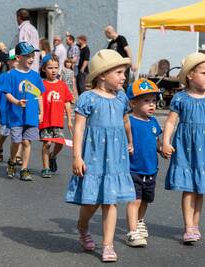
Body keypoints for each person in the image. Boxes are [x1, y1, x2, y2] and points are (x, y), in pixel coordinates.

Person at [65, 49, 135, 262]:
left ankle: (107, 245)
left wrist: (130, 141)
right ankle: (83, 226)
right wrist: (77, 156)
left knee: (110, 200)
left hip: (116, 156)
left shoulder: (121, 97)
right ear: (103, 74)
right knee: (91, 202)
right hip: (94, 155)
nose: (124, 77)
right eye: (120, 72)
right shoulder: (88, 98)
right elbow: (78, 129)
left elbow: (125, 122)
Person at [162, 52, 205, 244]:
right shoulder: (180, 98)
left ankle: (195, 225)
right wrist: (166, 141)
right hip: (186, 147)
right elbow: (170, 123)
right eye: (204, 73)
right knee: (188, 188)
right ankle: (188, 226)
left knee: (201, 188)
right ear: (190, 75)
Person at [125, 79, 162, 247]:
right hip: (133, 169)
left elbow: (157, 141)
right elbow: (122, 140)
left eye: (153, 100)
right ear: (133, 103)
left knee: (146, 199)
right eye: (146, 101)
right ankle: (132, 232)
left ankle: (139, 221)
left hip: (151, 169)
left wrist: (163, 148)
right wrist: (126, 146)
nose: (151, 104)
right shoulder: (129, 122)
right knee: (135, 200)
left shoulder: (154, 122)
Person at [2, 41, 45, 181]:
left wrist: (41, 112)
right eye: (28, 56)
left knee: (27, 142)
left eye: (33, 55)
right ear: (18, 57)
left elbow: (39, 94)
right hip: (16, 116)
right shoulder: (11, 75)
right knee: (16, 141)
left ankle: (24, 169)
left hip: (31, 116)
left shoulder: (35, 75)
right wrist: (16, 102)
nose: (31, 58)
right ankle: (12, 161)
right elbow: (7, 93)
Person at [39, 54, 73, 178]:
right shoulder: (41, 84)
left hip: (58, 121)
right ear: (43, 69)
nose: (53, 70)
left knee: (59, 143)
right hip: (45, 121)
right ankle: (46, 168)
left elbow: (67, 102)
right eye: (50, 68)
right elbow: (37, 101)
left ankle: (52, 156)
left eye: (56, 67)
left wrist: (69, 120)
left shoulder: (62, 85)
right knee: (47, 143)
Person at [16, 8, 40, 72]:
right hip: (35, 63)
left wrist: (11, 57)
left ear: (19, 17)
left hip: (27, 64)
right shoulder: (33, 28)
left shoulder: (24, 29)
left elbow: (22, 48)